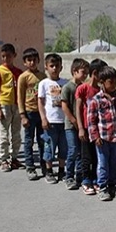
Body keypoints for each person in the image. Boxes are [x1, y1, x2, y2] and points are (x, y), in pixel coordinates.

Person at [87, 66, 116, 201]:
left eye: (115, 81)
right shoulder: (96, 100)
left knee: (115, 163)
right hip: (102, 139)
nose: (114, 85)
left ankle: (113, 185)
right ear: (102, 82)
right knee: (103, 163)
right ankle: (103, 187)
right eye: (110, 82)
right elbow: (91, 120)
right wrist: (95, 137)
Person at [75, 58, 107, 195]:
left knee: (96, 156)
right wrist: (81, 128)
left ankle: (94, 179)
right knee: (86, 156)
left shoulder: (100, 91)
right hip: (86, 128)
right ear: (95, 73)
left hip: (97, 129)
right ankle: (86, 180)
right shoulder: (83, 88)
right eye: (102, 73)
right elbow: (78, 108)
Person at [37, 53, 68, 185]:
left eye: (57, 66)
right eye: (51, 66)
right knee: (49, 146)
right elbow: (40, 102)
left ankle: (62, 170)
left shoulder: (65, 83)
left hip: (64, 122)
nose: (54, 68)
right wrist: (43, 118)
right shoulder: (44, 83)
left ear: (61, 67)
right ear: (46, 67)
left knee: (63, 147)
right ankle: (49, 171)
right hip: (51, 122)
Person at [18, 48, 47, 181]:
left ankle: (45, 166)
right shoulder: (23, 77)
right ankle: (30, 167)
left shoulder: (43, 76)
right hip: (29, 112)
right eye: (29, 60)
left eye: (34, 60)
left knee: (43, 140)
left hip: (41, 113)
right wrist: (22, 115)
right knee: (29, 141)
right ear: (25, 62)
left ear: (38, 61)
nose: (32, 62)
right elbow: (20, 97)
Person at [0, 43, 23, 172]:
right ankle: (4, 159)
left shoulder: (18, 72)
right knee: (3, 133)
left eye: (9, 56)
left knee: (16, 133)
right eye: (3, 56)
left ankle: (14, 157)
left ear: (14, 56)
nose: (6, 59)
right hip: (4, 103)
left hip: (16, 105)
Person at [61, 58, 89, 190]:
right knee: (72, 150)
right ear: (74, 71)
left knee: (80, 152)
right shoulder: (67, 87)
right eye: (83, 72)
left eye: (87, 73)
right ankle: (69, 176)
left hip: (82, 125)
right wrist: (74, 120)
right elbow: (64, 106)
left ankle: (79, 175)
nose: (85, 75)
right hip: (71, 126)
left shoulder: (83, 88)